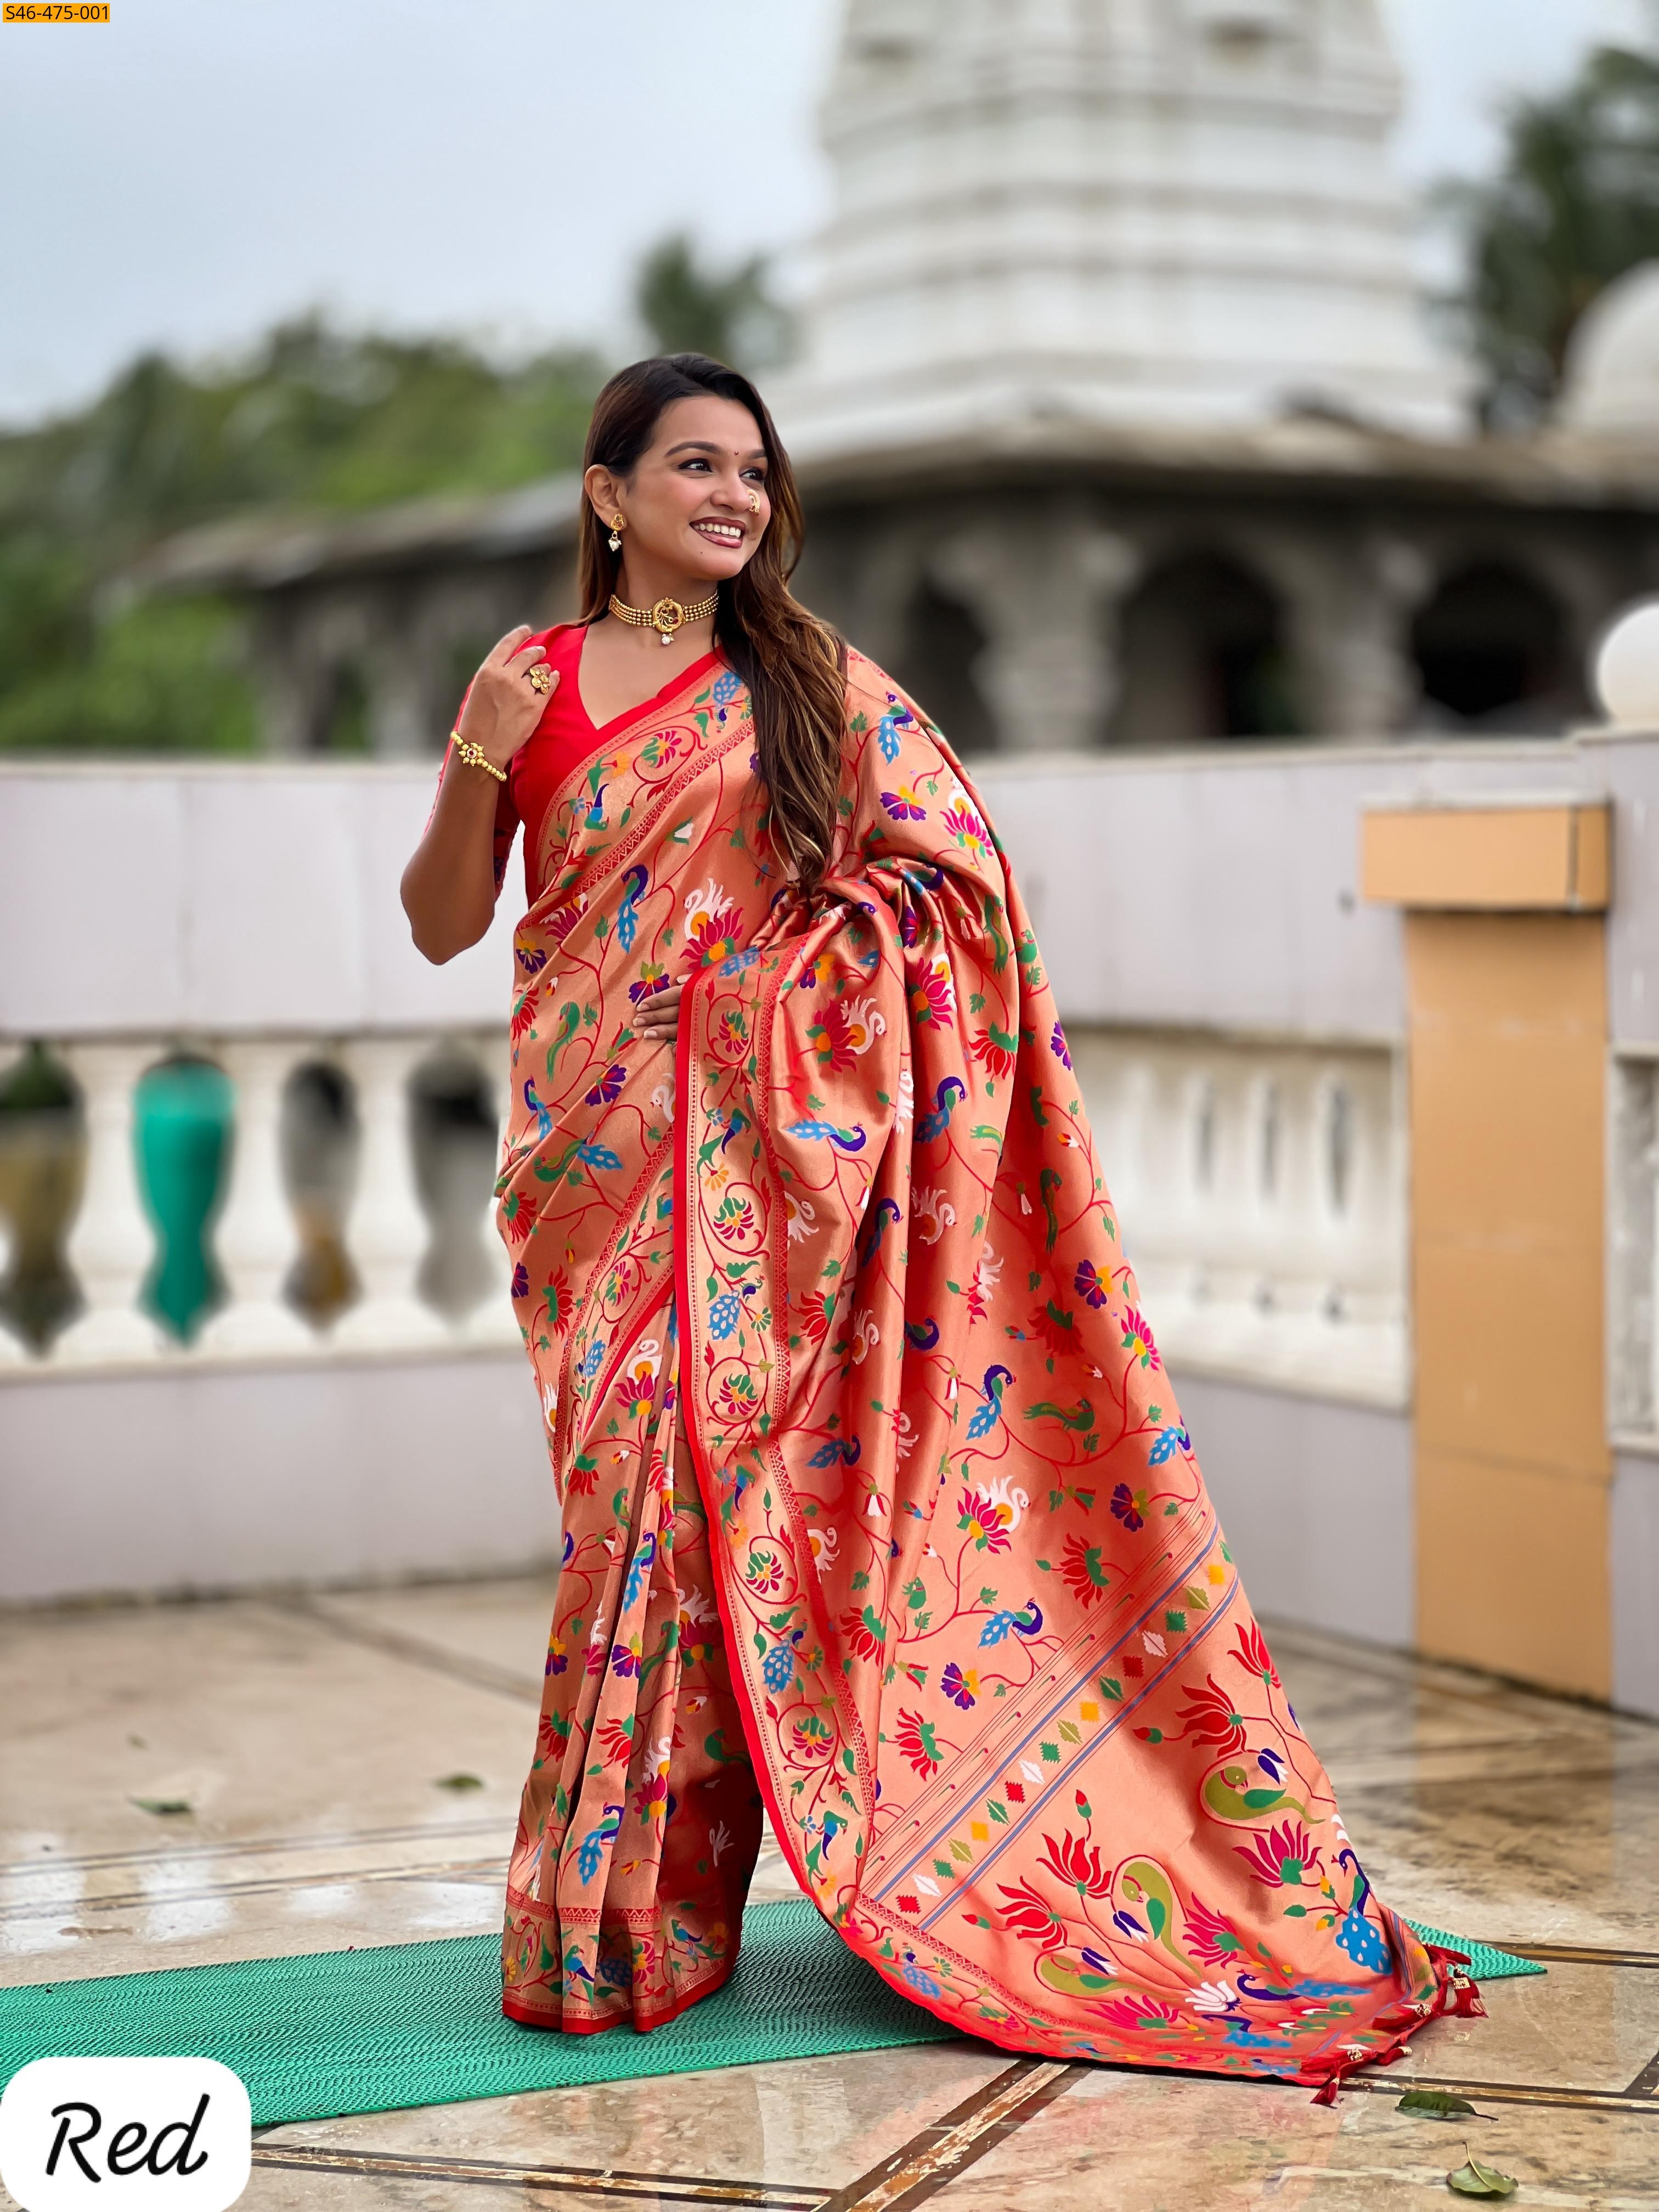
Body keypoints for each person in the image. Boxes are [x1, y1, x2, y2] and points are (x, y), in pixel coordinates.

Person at [400, 354, 1479, 2094]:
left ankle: (622, 1922)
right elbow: (451, 925)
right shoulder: (526, 680)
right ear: (607, 496)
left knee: (692, 1514)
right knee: (626, 1514)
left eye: (754, 470)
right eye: (692, 466)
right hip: (592, 1175)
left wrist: (766, 1004)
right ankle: (626, 1912)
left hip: (769, 1176)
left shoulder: (812, 681)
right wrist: (478, 764)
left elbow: (953, 894)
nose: (733, 498)